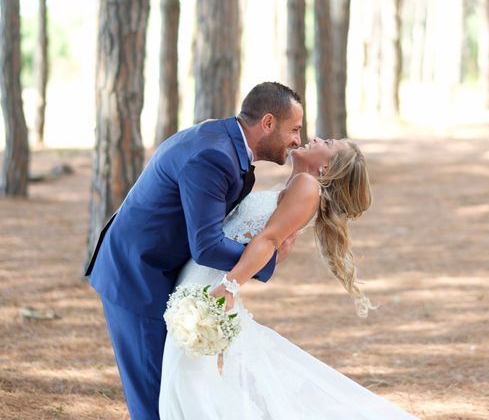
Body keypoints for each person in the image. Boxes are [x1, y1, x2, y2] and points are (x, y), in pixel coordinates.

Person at [85, 82, 304, 420]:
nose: (298, 140)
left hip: (161, 272)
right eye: (295, 129)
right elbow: (206, 245)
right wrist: (263, 260)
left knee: (171, 391)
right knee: (154, 399)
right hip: (137, 275)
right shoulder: (214, 155)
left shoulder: (226, 145)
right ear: (269, 122)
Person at [159, 137, 419, 419]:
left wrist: (229, 287)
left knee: (187, 375)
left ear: (325, 168)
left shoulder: (307, 186)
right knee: (187, 375)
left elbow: (269, 239)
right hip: (202, 274)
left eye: (327, 143)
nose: (316, 137)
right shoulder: (294, 186)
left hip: (215, 285)